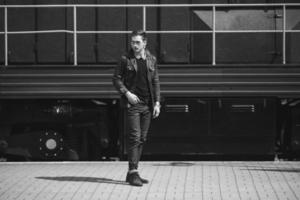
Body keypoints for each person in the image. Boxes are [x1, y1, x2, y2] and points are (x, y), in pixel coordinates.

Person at [112, 30, 161, 186]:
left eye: (137, 42)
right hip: (133, 104)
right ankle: (133, 173)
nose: (134, 45)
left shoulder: (151, 59)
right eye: (132, 42)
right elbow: (116, 79)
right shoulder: (125, 59)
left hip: (148, 105)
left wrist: (157, 103)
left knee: (142, 139)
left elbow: (156, 82)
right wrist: (127, 94)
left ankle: (132, 172)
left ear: (145, 43)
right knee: (134, 137)